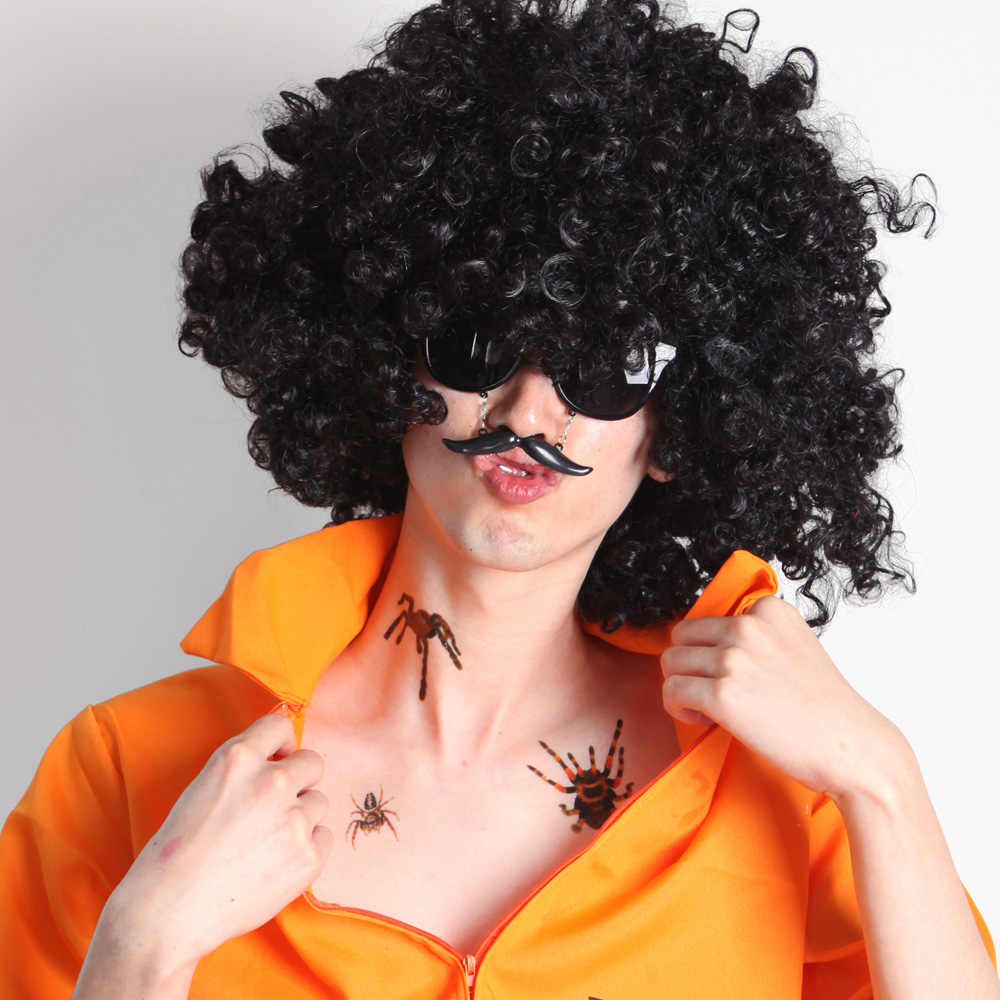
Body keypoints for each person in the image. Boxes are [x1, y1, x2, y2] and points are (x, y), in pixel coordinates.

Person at [1, 1, 996, 997]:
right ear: (386, 356)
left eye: (604, 369)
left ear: (677, 427)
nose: (527, 412)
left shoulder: (780, 787)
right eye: (477, 344)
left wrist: (882, 779)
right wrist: (143, 945)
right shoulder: (127, 769)